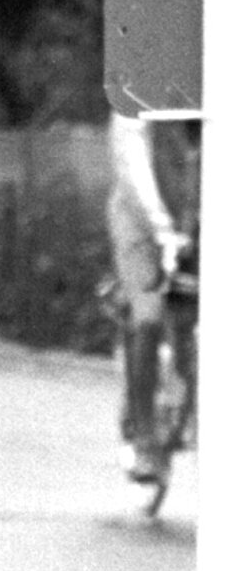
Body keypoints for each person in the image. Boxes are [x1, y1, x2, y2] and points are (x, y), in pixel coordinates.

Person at [105, 111, 198, 483]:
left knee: (193, 318)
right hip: (141, 223)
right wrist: (166, 232)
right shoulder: (134, 99)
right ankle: (143, 437)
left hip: (197, 221)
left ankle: (190, 406)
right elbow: (134, 173)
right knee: (148, 317)